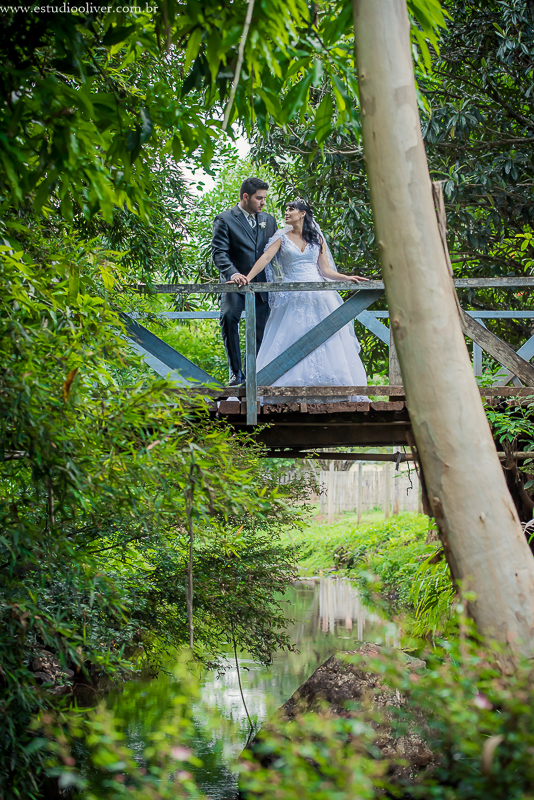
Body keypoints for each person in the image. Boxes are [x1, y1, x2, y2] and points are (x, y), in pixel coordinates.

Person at [236, 199, 369, 401]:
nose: (287, 213)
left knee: (327, 337)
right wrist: (247, 277)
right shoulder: (281, 236)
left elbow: (325, 270)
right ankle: (284, 384)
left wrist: (346, 278)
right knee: (292, 335)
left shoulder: (316, 238)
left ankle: (333, 385)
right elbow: (265, 259)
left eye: (291, 209)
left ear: (303, 213)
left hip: (318, 295)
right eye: (286, 210)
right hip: (292, 295)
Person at [211, 177, 278, 385]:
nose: (263, 203)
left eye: (265, 198)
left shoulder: (270, 220)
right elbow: (219, 253)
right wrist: (232, 273)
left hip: (262, 285)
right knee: (229, 317)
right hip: (235, 285)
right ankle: (235, 372)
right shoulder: (225, 219)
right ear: (245, 197)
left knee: (260, 329)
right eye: (259, 198)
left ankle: (251, 376)